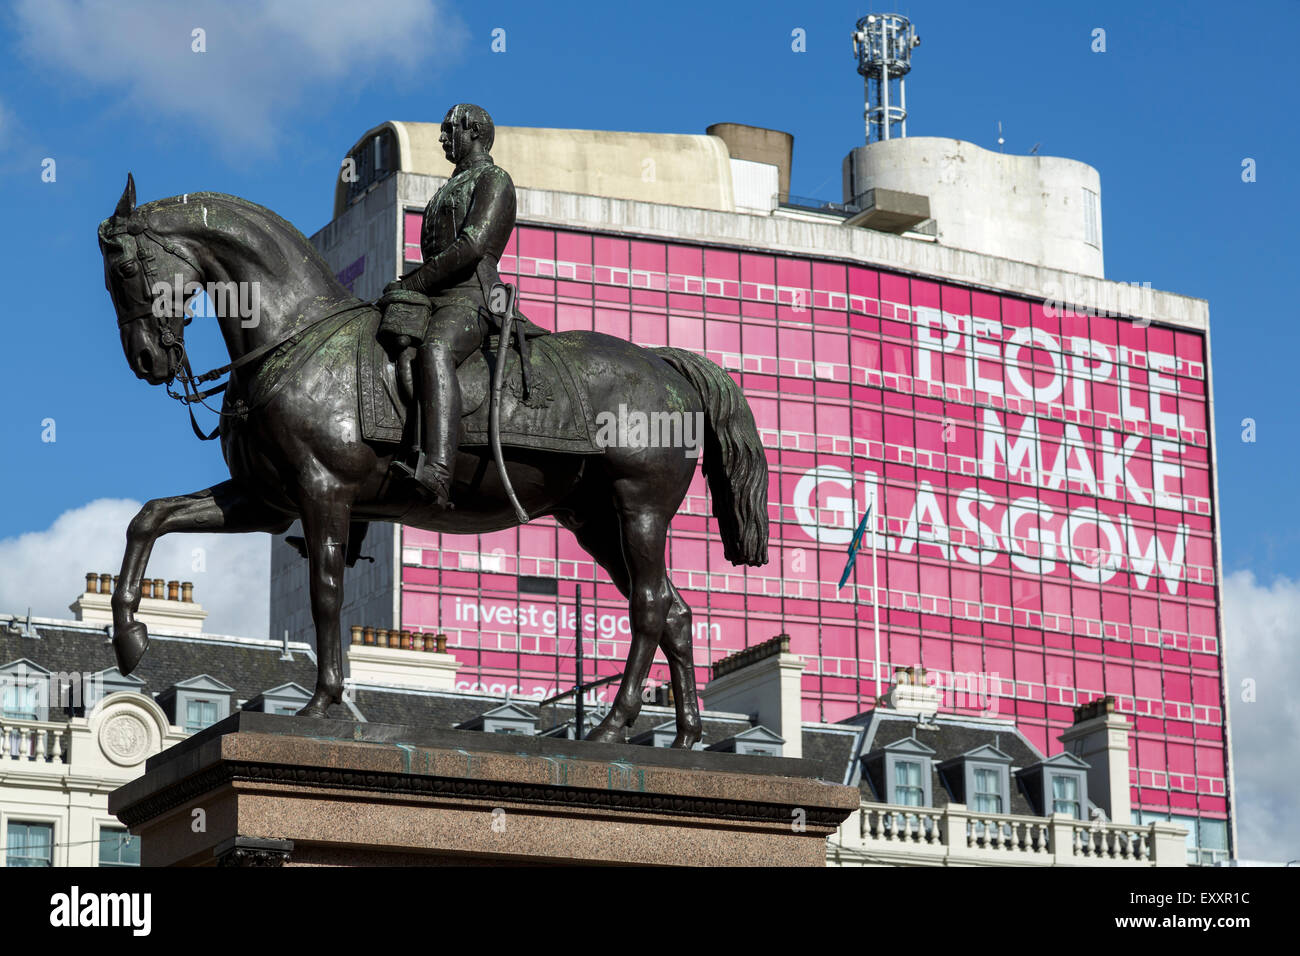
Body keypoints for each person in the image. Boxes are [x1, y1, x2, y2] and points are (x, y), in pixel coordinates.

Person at [378, 103, 518, 507]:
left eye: (448, 129)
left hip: (473, 299)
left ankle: (438, 471)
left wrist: (416, 280)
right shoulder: (447, 188)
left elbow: (474, 245)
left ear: (473, 131)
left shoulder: (495, 179)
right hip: (432, 300)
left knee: (436, 349)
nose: (442, 138)